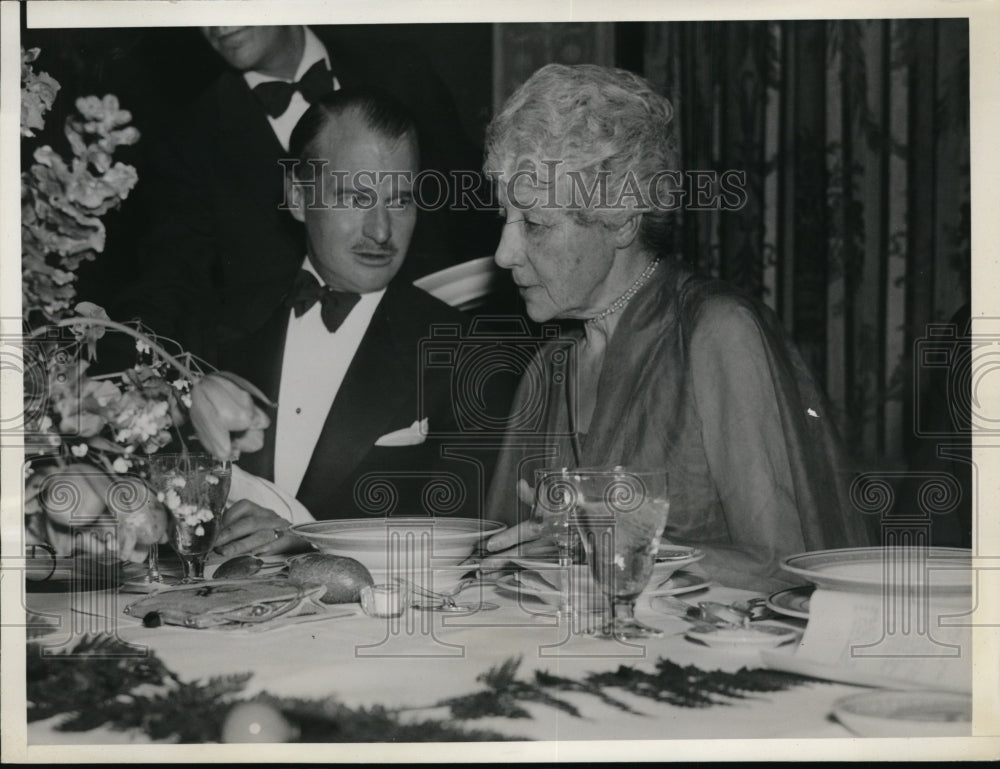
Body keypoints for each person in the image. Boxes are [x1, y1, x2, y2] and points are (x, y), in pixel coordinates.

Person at [480, 64, 873, 592]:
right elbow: (505, 559)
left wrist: (605, 541)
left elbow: (784, 567)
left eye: (535, 224)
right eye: (504, 219)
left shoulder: (717, 334)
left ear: (622, 217)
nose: (505, 253)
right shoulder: (547, 368)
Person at [114, 25, 494, 364]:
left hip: (428, 351)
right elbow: (168, 281)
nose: (219, 20)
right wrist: (120, 366)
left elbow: (471, 204)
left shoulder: (399, 68)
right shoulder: (189, 137)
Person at [212, 88, 486, 556]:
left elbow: (466, 534)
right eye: (356, 197)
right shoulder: (215, 329)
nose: (381, 231)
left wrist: (307, 540)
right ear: (298, 199)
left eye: (400, 201)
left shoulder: (465, 353)